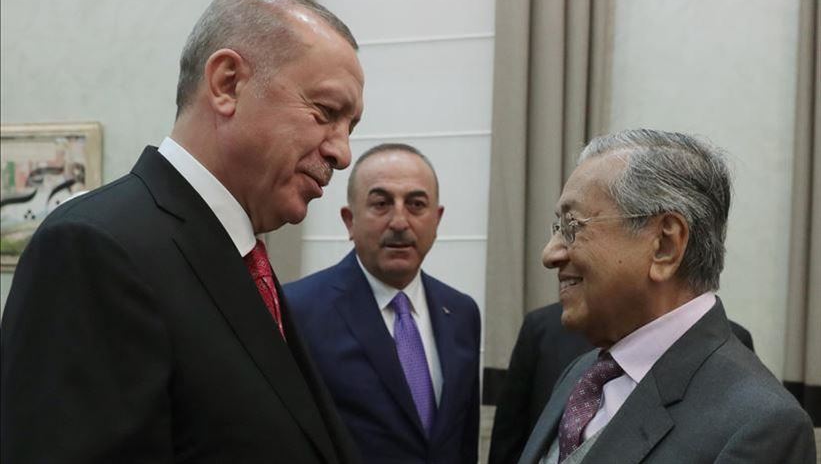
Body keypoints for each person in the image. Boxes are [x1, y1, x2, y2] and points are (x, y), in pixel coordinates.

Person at [1, 0, 364, 463]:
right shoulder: (96, 249)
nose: (342, 153)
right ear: (228, 84)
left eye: (349, 127)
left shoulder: (238, 257)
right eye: (325, 112)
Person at [516, 129, 815, 464]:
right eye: (557, 228)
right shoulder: (582, 373)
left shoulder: (762, 426)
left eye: (573, 226)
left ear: (665, 245)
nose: (550, 254)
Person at [283, 144, 481, 464]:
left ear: (437, 219)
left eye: (416, 205)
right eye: (381, 204)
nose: (400, 222)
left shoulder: (461, 312)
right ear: (349, 221)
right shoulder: (298, 310)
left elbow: (464, 441)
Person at [487, 302, 755, 464]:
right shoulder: (548, 333)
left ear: (664, 247)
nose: (552, 254)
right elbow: (509, 441)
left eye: (579, 231)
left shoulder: (727, 348)